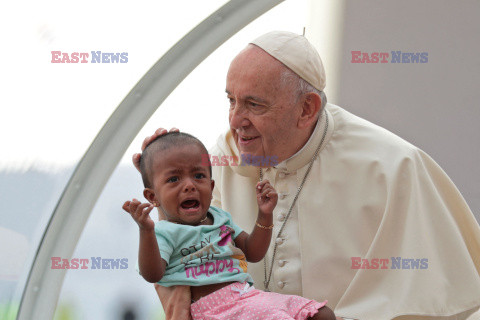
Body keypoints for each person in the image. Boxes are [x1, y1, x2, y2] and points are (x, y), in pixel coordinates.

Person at [134, 31, 480, 320]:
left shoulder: (393, 166)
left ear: (307, 108)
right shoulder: (222, 159)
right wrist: (159, 178)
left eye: (254, 105)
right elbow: (191, 250)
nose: (236, 120)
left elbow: (432, 296)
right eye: (231, 101)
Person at [123, 132, 336, 320]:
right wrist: (146, 230)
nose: (189, 185)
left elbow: (253, 252)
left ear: (211, 185)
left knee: (322, 315)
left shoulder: (219, 217)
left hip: (246, 296)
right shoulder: (164, 232)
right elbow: (153, 274)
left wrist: (265, 214)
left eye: (198, 176)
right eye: (174, 179)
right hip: (215, 310)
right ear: (153, 196)